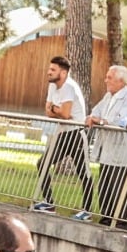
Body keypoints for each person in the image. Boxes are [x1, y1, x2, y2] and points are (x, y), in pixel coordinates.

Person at [87, 63, 127, 227]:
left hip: (123, 152)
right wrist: (92, 117)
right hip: (107, 150)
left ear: (121, 81)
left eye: (109, 78)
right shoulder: (108, 96)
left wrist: (101, 121)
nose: (105, 80)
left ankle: (122, 222)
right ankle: (106, 218)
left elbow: (121, 121)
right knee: (105, 186)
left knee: (120, 187)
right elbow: (96, 111)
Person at [34, 55, 90, 210]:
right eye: (49, 68)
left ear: (63, 73)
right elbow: (49, 112)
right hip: (63, 133)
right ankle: (49, 202)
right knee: (42, 163)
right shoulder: (52, 85)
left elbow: (65, 114)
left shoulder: (69, 87)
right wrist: (57, 110)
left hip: (77, 134)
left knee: (83, 173)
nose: (48, 72)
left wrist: (57, 110)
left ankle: (87, 211)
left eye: (53, 69)